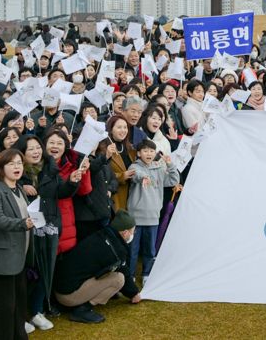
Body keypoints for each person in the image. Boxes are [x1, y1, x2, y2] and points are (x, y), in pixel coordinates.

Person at [53, 210, 141, 324]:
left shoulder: (103, 234)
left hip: (59, 288)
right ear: (125, 233)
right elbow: (124, 272)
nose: (133, 234)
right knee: (119, 279)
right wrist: (134, 294)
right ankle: (83, 309)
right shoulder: (116, 250)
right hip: (66, 295)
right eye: (132, 231)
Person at [127, 139, 180, 285]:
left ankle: (146, 274)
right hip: (136, 217)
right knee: (133, 249)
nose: (148, 153)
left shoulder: (159, 169)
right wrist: (143, 177)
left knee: (150, 250)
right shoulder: (134, 166)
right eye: (145, 150)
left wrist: (169, 164)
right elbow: (136, 175)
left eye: (151, 151)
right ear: (139, 153)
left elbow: (174, 180)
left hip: (153, 216)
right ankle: (130, 275)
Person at [0, 149, 34, 339]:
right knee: (5, 307)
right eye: (11, 163)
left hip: (21, 254)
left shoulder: (19, 189)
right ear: (1, 168)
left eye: (19, 163)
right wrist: (23, 224)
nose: (17, 167)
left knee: (19, 302)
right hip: (3, 259)